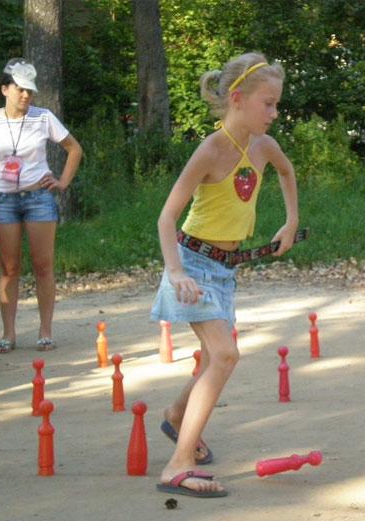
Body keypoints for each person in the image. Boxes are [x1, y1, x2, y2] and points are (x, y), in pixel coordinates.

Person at [151, 52, 299, 497]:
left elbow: (287, 172)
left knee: (219, 358)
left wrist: (290, 221)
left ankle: (177, 417)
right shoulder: (211, 150)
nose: (274, 113)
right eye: (267, 104)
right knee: (225, 356)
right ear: (238, 98)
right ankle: (177, 466)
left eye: (276, 104)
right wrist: (175, 272)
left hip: (224, 270)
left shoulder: (263, 146)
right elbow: (166, 219)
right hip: (192, 265)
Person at [0, 58, 83, 353]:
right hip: (3, 200)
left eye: (30, 91)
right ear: (4, 89)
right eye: (20, 89)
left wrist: (62, 182)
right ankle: (8, 334)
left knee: (43, 265)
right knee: (9, 268)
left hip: (38, 198)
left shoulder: (43, 117)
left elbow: (74, 149)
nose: (25, 96)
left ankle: (45, 331)